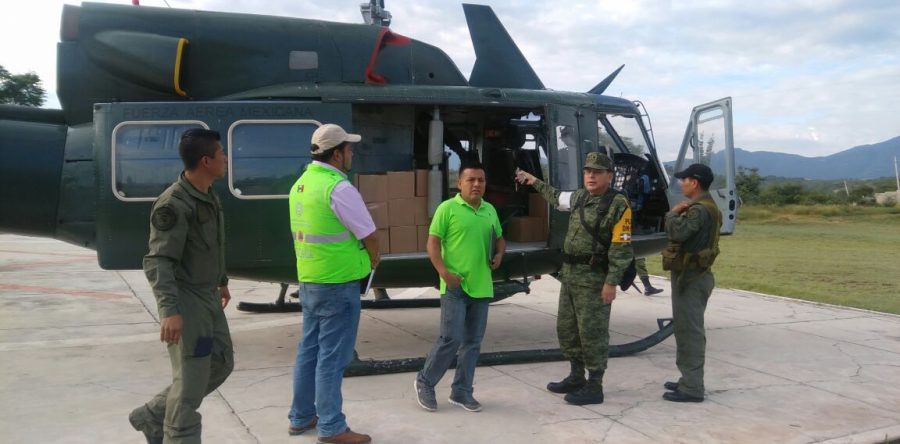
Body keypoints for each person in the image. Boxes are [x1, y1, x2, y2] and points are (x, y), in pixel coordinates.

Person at [128, 129, 234, 444]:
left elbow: (210, 245)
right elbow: (159, 260)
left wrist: (221, 280)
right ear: (206, 161)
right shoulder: (174, 203)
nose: (226, 158)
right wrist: (170, 311)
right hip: (187, 300)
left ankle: (152, 416)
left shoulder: (207, 194)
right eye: (221, 153)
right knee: (189, 384)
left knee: (220, 363)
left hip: (207, 294)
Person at [515, 152, 633, 405]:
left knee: (592, 332)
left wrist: (611, 282)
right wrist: (533, 180)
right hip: (570, 277)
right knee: (568, 330)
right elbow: (556, 196)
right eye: (588, 171)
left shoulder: (618, 205)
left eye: (597, 172)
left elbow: (621, 248)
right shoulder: (580, 197)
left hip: (594, 280)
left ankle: (595, 385)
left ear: (609, 176)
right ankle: (576, 376)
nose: (591, 176)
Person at [287, 124, 380, 444]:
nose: (352, 153)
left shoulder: (301, 184)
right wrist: (374, 259)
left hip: (310, 280)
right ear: (337, 154)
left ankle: (301, 416)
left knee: (309, 352)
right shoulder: (338, 188)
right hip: (338, 284)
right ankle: (331, 426)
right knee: (332, 358)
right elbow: (368, 234)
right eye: (349, 149)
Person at [414, 162, 505, 413]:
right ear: (460, 183)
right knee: (450, 338)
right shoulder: (447, 208)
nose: (476, 184)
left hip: (482, 287)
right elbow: (432, 243)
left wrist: (499, 255)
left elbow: (500, 239)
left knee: (472, 343)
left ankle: (462, 391)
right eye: (471, 180)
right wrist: (444, 273)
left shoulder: (489, 210)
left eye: (481, 180)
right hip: (455, 287)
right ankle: (425, 381)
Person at [661, 163, 722, 403]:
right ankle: (688, 378)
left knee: (690, 332)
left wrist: (672, 214)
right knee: (685, 329)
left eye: (684, 180)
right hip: (694, 275)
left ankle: (692, 387)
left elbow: (678, 233)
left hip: (691, 278)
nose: (682, 184)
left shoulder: (698, 210)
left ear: (694, 182)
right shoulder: (708, 206)